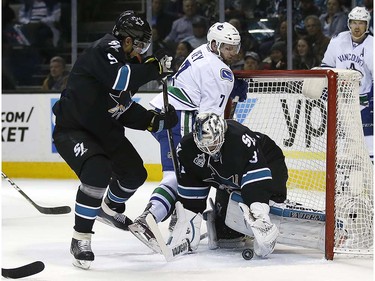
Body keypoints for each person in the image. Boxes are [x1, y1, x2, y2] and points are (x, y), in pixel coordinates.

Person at [52, 10, 178, 269]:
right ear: (127, 39)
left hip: (104, 130)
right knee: (97, 171)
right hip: (74, 130)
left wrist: (155, 120)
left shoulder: (125, 62)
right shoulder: (105, 49)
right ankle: (81, 238)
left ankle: (108, 208)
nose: (140, 49)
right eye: (139, 43)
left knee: (134, 174)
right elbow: (120, 78)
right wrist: (153, 69)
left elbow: (121, 107)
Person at [129, 22, 248, 247]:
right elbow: (208, 118)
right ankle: (149, 219)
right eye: (228, 47)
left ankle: (175, 218)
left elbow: (200, 80)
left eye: (235, 47)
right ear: (214, 44)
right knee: (180, 176)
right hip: (180, 116)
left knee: (181, 173)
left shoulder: (201, 51)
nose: (233, 52)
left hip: (163, 111)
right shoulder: (222, 73)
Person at [168, 113, 287, 257]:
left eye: (213, 142)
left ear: (222, 133)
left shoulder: (240, 138)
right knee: (227, 236)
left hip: (268, 161)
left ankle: (265, 223)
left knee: (264, 200)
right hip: (230, 179)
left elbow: (255, 179)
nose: (209, 148)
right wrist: (188, 221)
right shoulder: (187, 148)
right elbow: (192, 189)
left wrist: (259, 212)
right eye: (205, 144)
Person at [320, 6, 373, 160]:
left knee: (369, 148)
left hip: (365, 102)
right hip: (341, 102)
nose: (357, 27)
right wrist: (326, 91)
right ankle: (347, 182)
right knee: (344, 151)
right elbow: (326, 67)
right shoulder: (337, 41)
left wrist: (371, 104)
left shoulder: (373, 45)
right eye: (354, 22)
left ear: (367, 25)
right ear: (349, 23)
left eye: (361, 23)